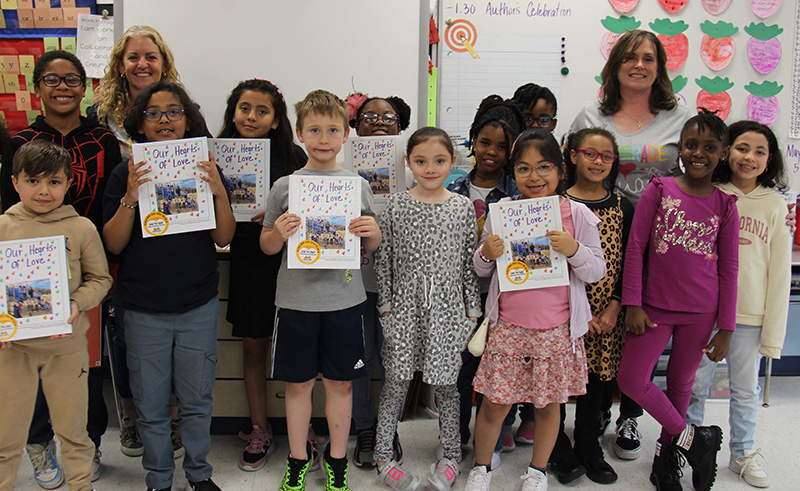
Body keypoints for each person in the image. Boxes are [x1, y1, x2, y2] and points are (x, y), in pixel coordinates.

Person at [566, 29, 693, 461]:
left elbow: (695, 172)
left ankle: (631, 416)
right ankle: (597, 410)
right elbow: (569, 172)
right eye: (630, 57)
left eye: (649, 58)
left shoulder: (679, 115)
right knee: (601, 324)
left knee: (641, 328)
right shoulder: (589, 113)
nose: (639, 65)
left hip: (662, 241)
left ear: (659, 69)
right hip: (601, 234)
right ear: (615, 64)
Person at [102, 81, 235, 491]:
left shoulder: (205, 168)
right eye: (153, 113)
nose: (164, 120)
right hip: (142, 309)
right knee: (150, 403)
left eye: (174, 112)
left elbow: (223, 236)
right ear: (138, 125)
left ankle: (199, 473)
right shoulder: (125, 172)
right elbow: (113, 243)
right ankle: (158, 478)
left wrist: (217, 192)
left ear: (188, 120)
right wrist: (130, 197)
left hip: (196, 304)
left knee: (196, 401)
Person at [1, 50, 121, 487]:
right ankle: (36, 447)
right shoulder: (20, 144)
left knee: (81, 389)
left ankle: (84, 456)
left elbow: (101, 269)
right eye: (52, 80)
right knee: (15, 406)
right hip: (17, 316)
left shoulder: (102, 140)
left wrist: (82, 292)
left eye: (72, 79)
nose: (63, 87)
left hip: (76, 293)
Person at [464, 129, 606, 491]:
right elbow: (480, 269)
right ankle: (481, 468)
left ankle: (538, 471)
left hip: (557, 328)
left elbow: (596, 271)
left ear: (561, 170)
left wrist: (574, 249)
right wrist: (486, 253)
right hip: (509, 325)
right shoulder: (503, 213)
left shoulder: (578, 214)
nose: (534, 176)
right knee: (495, 402)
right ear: (514, 173)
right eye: (524, 168)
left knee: (547, 404)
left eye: (544, 167)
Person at [260, 89, 381, 491]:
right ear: (299, 133)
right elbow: (266, 245)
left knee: (341, 383)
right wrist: (276, 233)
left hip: (344, 301)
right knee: (297, 385)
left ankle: (337, 458)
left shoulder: (357, 185)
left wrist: (373, 233)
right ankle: (298, 457)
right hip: (294, 301)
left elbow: (371, 244)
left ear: (346, 134)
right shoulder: (284, 186)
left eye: (332, 129)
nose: (324, 138)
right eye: (315, 130)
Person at [617, 110, 738, 491]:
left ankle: (667, 458)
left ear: (723, 152)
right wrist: (632, 303)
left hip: (701, 312)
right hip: (652, 307)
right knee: (633, 379)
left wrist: (727, 328)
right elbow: (635, 248)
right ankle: (694, 439)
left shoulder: (725, 206)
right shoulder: (659, 189)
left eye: (709, 147)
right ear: (680, 149)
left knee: (682, 384)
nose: (698, 153)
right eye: (690, 144)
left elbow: (730, 269)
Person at [90, 25, 193, 459]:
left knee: (158, 336)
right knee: (123, 333)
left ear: (163, 62)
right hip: (114, 227)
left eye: (150, 56)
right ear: (120, 64)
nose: (142, 64)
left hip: (162, 238)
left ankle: (168, 419)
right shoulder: (100, 119)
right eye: (133, 57)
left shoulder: (179, 108)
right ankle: (130, 416)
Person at [372, 127, 480, 490]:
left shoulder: (462, 207)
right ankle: (383, 456)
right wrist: (386, 308)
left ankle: (450, 453)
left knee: (448, 387)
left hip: (449, 313)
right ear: (409, 163)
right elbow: (383, 260)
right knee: (396, 384)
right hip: (403, 310)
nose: (430, 168)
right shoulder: (397, 205)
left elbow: (468, 265)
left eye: (439, 161)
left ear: (452, 162)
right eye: (420, 161)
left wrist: (472, 312)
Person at [687, 120, 791, 488]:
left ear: (770, 160)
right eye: (742, 148)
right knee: (695, 384)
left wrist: (772, 334)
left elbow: (779, 274)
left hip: (749, 316)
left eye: (760, 151)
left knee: (745, 390)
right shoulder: (709, 193)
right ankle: (690, 447)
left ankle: (742, 452)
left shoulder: (775, 206)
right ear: (727, 152)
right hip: (705, 312)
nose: (749, 157)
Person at [218, 79, 307, 472]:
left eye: (261, 111)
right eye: (244, 108)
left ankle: (302, 429)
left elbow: (314, 209)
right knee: (254, 347)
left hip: (290, 264)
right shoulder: (217, 154)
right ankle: (259, 427)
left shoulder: (294, 156)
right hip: (248, 262)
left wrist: (276, 214)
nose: (251, 117)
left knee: (296, 348)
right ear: (232, 112)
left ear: (275, 120)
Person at [446, 95, 524, 466]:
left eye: (502, 146)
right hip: (459, 298)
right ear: (473, 141)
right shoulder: (453, 189)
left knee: (499, 374)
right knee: (459, 370)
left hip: (502, 299)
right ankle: (456, 435)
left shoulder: (518, 196)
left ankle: (495, 432)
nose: (492, 152)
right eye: (485, 142)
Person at [561, 128, 633, 484]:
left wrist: (616, 306)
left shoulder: (623, 207)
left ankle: (588, 444)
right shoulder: (555, 203)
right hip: (561, 313)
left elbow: (629, 263)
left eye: (606, 156)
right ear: (573, 155)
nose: (598, 162)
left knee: (596, 382)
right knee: (556, 381)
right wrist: (577, 312)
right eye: (591, 153)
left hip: (606, 315)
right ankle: (557, 444)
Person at [345, 94, 412, 469]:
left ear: (400, 127)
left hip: (397, 284)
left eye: (389, 117)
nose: (380, 122)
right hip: (351, 281)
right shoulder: (338, 169)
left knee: (393, 360)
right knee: (358, 359)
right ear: (355, 126)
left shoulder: (413, 170)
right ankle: (364, 427)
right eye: (370, 116)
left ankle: (389, 427)